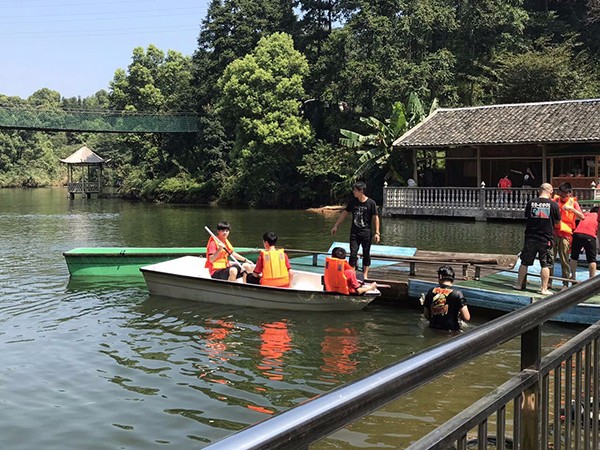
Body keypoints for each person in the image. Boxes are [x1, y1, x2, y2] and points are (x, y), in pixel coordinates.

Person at [514, 183, 561, 295]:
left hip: (530, 237)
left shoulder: (531, 203)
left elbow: (527, 217)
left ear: (540, 191)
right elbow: (558, 222)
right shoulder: (553, 205)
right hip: (546, 238)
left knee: (524, 262)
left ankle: (519, 284)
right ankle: (543, 288)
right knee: (545, 264)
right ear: (550, 191)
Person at [331, 181, 380, 279]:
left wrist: (377, 232)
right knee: (353, 253)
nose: (353, 192)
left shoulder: (371, 203)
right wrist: (336, 225)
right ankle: (352, 274)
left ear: (361, 191)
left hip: (366, 232)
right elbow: (344, 213)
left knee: (366, 253)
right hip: (355, 232)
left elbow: (376, 217)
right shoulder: (353, 202)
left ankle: (365, 274)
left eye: (355, 190)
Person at [551, 182, 585, 289]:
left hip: (565, 235)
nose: (562, 197)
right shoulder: (555, 201)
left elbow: (582, 217)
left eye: (565, 195)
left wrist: (572, 209)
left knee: (564, 259)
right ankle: (548, 282)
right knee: (550, 258)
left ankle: (565, 283)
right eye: (561, 194)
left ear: (569, 194)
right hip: (554, 233)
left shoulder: (573, 203)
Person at [423, 265, 470, 332]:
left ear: (440, 277)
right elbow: (466, 317)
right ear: (452, 278)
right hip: (451, 331)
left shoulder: (431, 291)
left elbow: (426, 315)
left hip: (433, 329)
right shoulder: (457, 294)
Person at [569, 206, 599, 281]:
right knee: (592, 260)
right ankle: (591, 279)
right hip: (590, 235)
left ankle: (573, 276)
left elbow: (579, 217)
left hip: (577, 234)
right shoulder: (598, 217)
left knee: (574, 256)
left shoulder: (586, 214)